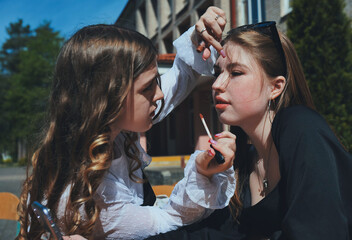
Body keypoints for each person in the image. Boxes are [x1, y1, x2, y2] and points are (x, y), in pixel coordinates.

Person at [149, 20, 352, 239]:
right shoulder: (243, 163)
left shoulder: (302, 127)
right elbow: (210, 234)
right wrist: (204, 174)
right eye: (219, 72)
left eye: (236, 73)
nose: (217, 85)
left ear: (276, 87)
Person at [17, 7, 237, 240]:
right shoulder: (95, 194)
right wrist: (201, 174)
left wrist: (196, 40)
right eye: (147, 88)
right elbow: (168, 220)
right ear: (109, 99)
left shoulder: (103, 130)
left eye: (156, 82)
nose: (160, 95)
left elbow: (178, 80)